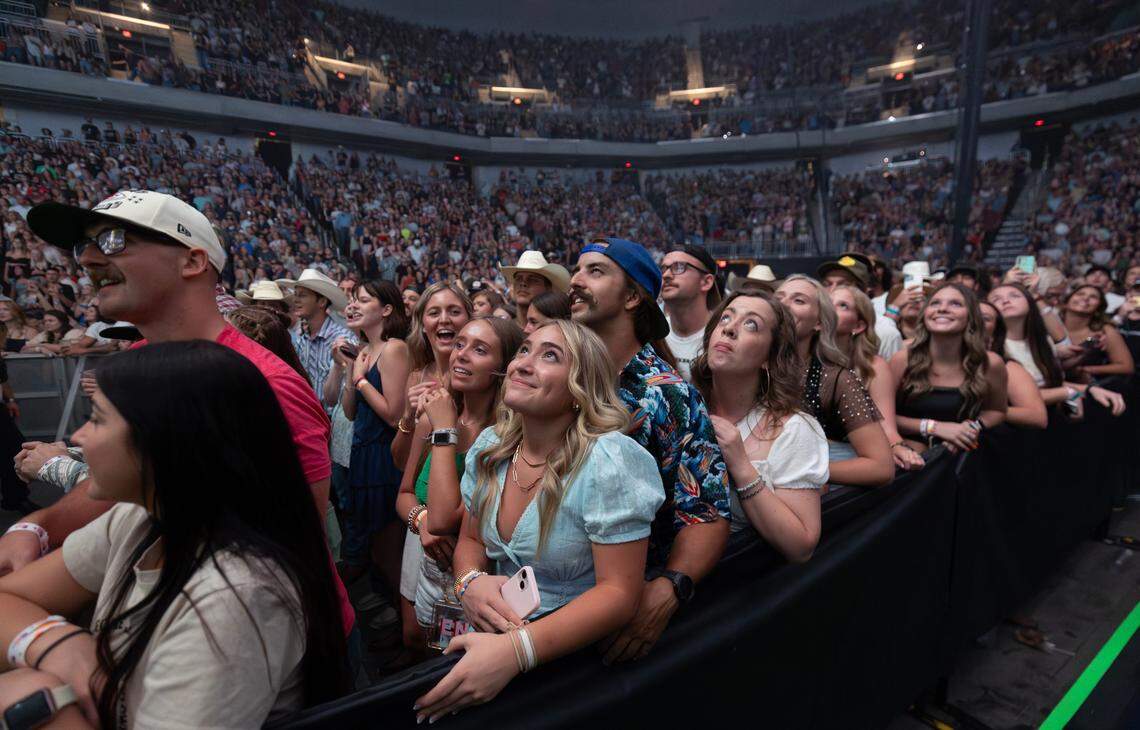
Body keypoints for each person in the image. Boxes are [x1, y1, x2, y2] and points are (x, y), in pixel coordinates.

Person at [5, 190, 355, 675]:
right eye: (82, 246)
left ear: (192, 261)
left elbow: (299, 539)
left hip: (262, 656)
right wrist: (38, 526)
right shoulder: (138, 364)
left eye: (113, 240)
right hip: (162, 628)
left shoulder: (264, 384)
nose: (87, 258)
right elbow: (130, 490)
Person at [0, 342, 348, 728]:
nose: (78, 437)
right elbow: (8, 598)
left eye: (96, 418)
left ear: (165, 438)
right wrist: (54, 644)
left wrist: (43, 712)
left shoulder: (234, 601)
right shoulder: (140, 519)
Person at [413, 321, 664, 723]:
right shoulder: (491, 447)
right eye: (524, 350)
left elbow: (619, 593)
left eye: (550, 356)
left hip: (575, 672)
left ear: (582, 388)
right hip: (493, 652)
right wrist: (469, 584)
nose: (523, 365)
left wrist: (518, 651)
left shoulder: (610, 460)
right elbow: (471, 541)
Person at [568, 237, 729, 664]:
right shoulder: (556, 375)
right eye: (577, 270)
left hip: (616, 616)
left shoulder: (667, 396)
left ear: (634, 296)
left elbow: (706, 512)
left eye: (595, 271)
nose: (576, 281)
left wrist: (670, 587)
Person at [394, 317, 523, 650]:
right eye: (461, 344)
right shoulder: (434, 415)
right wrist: (421, 522)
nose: (461, 354)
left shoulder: (508, 438)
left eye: (480, 350)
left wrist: (445, 432)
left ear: (505, 368)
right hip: (429, 572)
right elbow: (405, 493)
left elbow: (447, 517)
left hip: (482, 582)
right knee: (419, 645)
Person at [692, 291, 827, 560]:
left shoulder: (793, 429)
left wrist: (742, 466)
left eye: (751, 324)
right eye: (725, 319)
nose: (729, 328)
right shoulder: (683, 407)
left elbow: (801, 546)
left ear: (769, 357)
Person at [776, 276, 893, 487]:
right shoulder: (748, 365)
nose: (783, 305)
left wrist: (804, 472)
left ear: (819, 322)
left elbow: (881, 467)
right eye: (778, 297)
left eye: (798, 300)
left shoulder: (837, 380)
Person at [337, 280, 411, 608]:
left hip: (384, 457)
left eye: (363, 300)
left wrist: (361, 380)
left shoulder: (395, 348)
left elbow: (394, 416)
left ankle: (412, 635)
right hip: (362, 454)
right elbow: (351, 412)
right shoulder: (364, 350)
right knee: (376, 550)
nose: (353, 305)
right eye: (352, 300)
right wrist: (350, 371)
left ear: (386, 309)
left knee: (389, 552)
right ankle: (396, 616)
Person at [890, 282, 1008, 454]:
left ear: (971, 316)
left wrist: (971, 428)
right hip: (912, 458)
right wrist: (933, 427)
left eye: (955, 304)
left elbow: (996, 411)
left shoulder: (990, 363)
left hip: (966, 458)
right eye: (935, 303)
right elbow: (879, 417)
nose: (942, 309)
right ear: (925, 314)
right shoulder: (903, 360)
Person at [830, 285, 923, 471]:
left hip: (851, 457)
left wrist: (898, 448)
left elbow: (886, 427)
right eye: (827, 303)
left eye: (842, 305)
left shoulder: (872, 366)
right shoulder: (801, 358)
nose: (830, 309)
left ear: (858, 325)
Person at [391, 282, 472, 469]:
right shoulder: (416, 377)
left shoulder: (477, 379)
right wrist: (408, 416)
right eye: (434, 313)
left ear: (469, 320)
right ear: (423, 325)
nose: (444, 319)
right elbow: (400, 462)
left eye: (454, 311)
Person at [278, 268, 355, 401]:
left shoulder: (342, 339)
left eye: (302, 295)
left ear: (322, 302)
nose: (295, 300)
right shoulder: (302, 340)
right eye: (295, 294)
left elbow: (341, 397)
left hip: (331, 419)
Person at [817, 253, 902, 358]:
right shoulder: (811, 325)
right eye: (827, 284)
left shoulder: (885, 332)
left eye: (843, 284)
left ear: (864, 291)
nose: (832, 290)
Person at [979, 301, 1048, 429]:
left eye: (984, 318)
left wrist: (987, 412)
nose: (975, 321)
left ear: (994, 334)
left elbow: (1038, 416)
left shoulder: (1006, 367)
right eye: (971, 314)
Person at [661, 245, 721, 381]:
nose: (666, 275)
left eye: (679, 267)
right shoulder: (654, 334)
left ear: (706, 282)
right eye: (664, 268)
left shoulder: (723, 335)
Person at [1060, 284, 1135, 384]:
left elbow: (1126, 367)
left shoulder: (1105, 331)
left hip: (1086, 388)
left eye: (1093, 297)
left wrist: (1085, 369)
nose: (1086, 298)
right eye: (1080, 294)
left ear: (1098, 308)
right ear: (1066, 302)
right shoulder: (1049, 324)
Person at [500, 250, 570, 331]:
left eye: (533, 280)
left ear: (548, 288)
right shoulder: (502, 332)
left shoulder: (561, 333)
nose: (523, 283)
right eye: (518, 278)